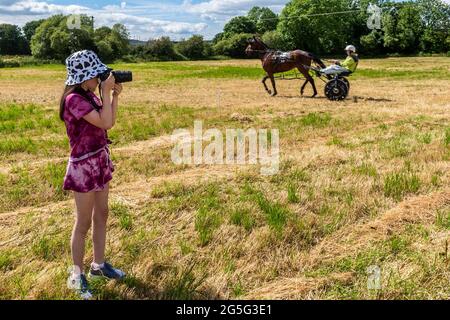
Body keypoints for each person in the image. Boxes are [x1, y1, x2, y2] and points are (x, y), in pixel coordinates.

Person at [60, 50, 125, 299]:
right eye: (95, 74)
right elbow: (104, 123)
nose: (99, 78)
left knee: (103, 214)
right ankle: (77, 275)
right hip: (84, 167)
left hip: (99, 160)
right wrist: (106, 92)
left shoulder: (90, 95)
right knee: (83, 222)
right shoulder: (74, 99)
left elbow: (110, 120)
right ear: (83, 76)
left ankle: (98, 266)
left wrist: (113, 97)